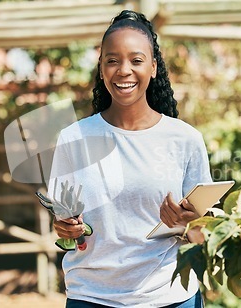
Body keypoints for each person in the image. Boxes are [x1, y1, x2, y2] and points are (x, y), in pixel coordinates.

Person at [49, 10, 212, 307]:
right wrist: (67, 228)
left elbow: (204, 232)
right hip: (92, 296)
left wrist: (191, 223)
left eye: (136, 60)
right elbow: (63, 225)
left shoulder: (185, 139)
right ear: (101, 69)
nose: (123, 70)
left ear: (153, 67)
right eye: (112, 60)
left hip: (171, 296)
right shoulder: (74, 138)